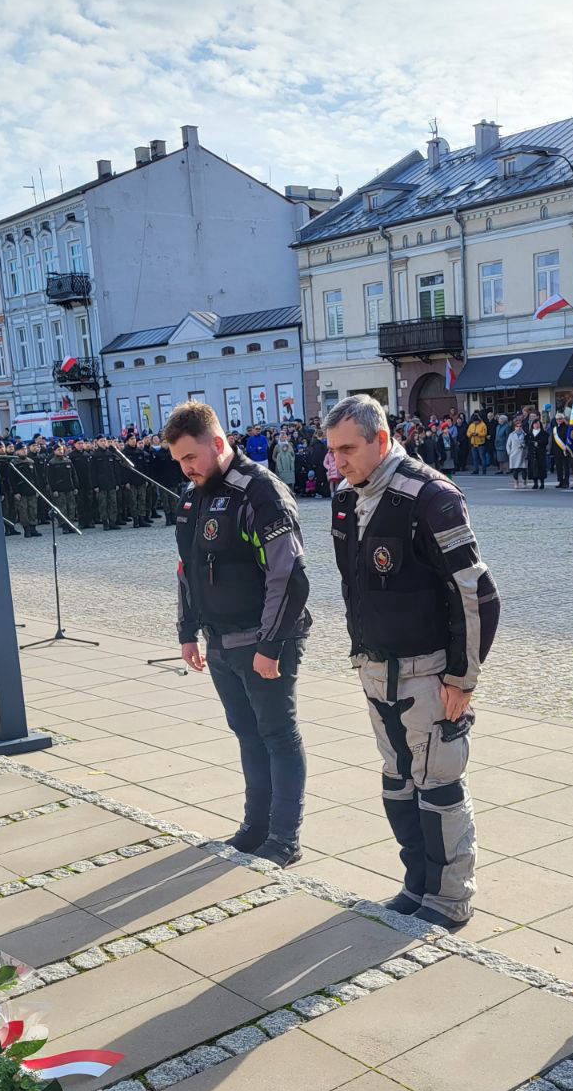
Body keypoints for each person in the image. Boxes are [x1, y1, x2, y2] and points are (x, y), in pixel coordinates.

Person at [325, 394, 500, 930]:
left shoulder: (430, 496)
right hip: (376, 671)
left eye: (348, 449)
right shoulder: (344, 499)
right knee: (398, 782)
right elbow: (355, 587)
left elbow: (476, 594)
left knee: (439, 787)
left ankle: (449, 901)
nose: (338, 462)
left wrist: (462, 677)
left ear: (382, 440)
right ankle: (416, 884)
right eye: (332, 451)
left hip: (429, 676)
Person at [167, 400, 311, 867]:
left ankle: (284, 837)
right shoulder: (194, 497)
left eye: (191, 458)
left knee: (277, 735)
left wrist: (270, 646)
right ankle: (255, 827)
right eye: (179, 462)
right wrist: (187, 630)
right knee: (247, 735)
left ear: (217, 442)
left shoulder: (260, 492)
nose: (186, 469)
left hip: (263, 641)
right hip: (220, 641)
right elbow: (187, 571)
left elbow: (288, 575)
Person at [506, 417, 527, 488]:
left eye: (520, 426)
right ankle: (516, 482)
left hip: (522, 454)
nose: (519, 427)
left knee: (524, 469)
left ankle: (524, 482)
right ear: (515, 427)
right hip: (514, 454)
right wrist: (509, 453)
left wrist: (524, 445)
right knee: (515, 470)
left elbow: (527, 443)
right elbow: (508, 445)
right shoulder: (511, 435)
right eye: (517, 426)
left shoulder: (525, 434)